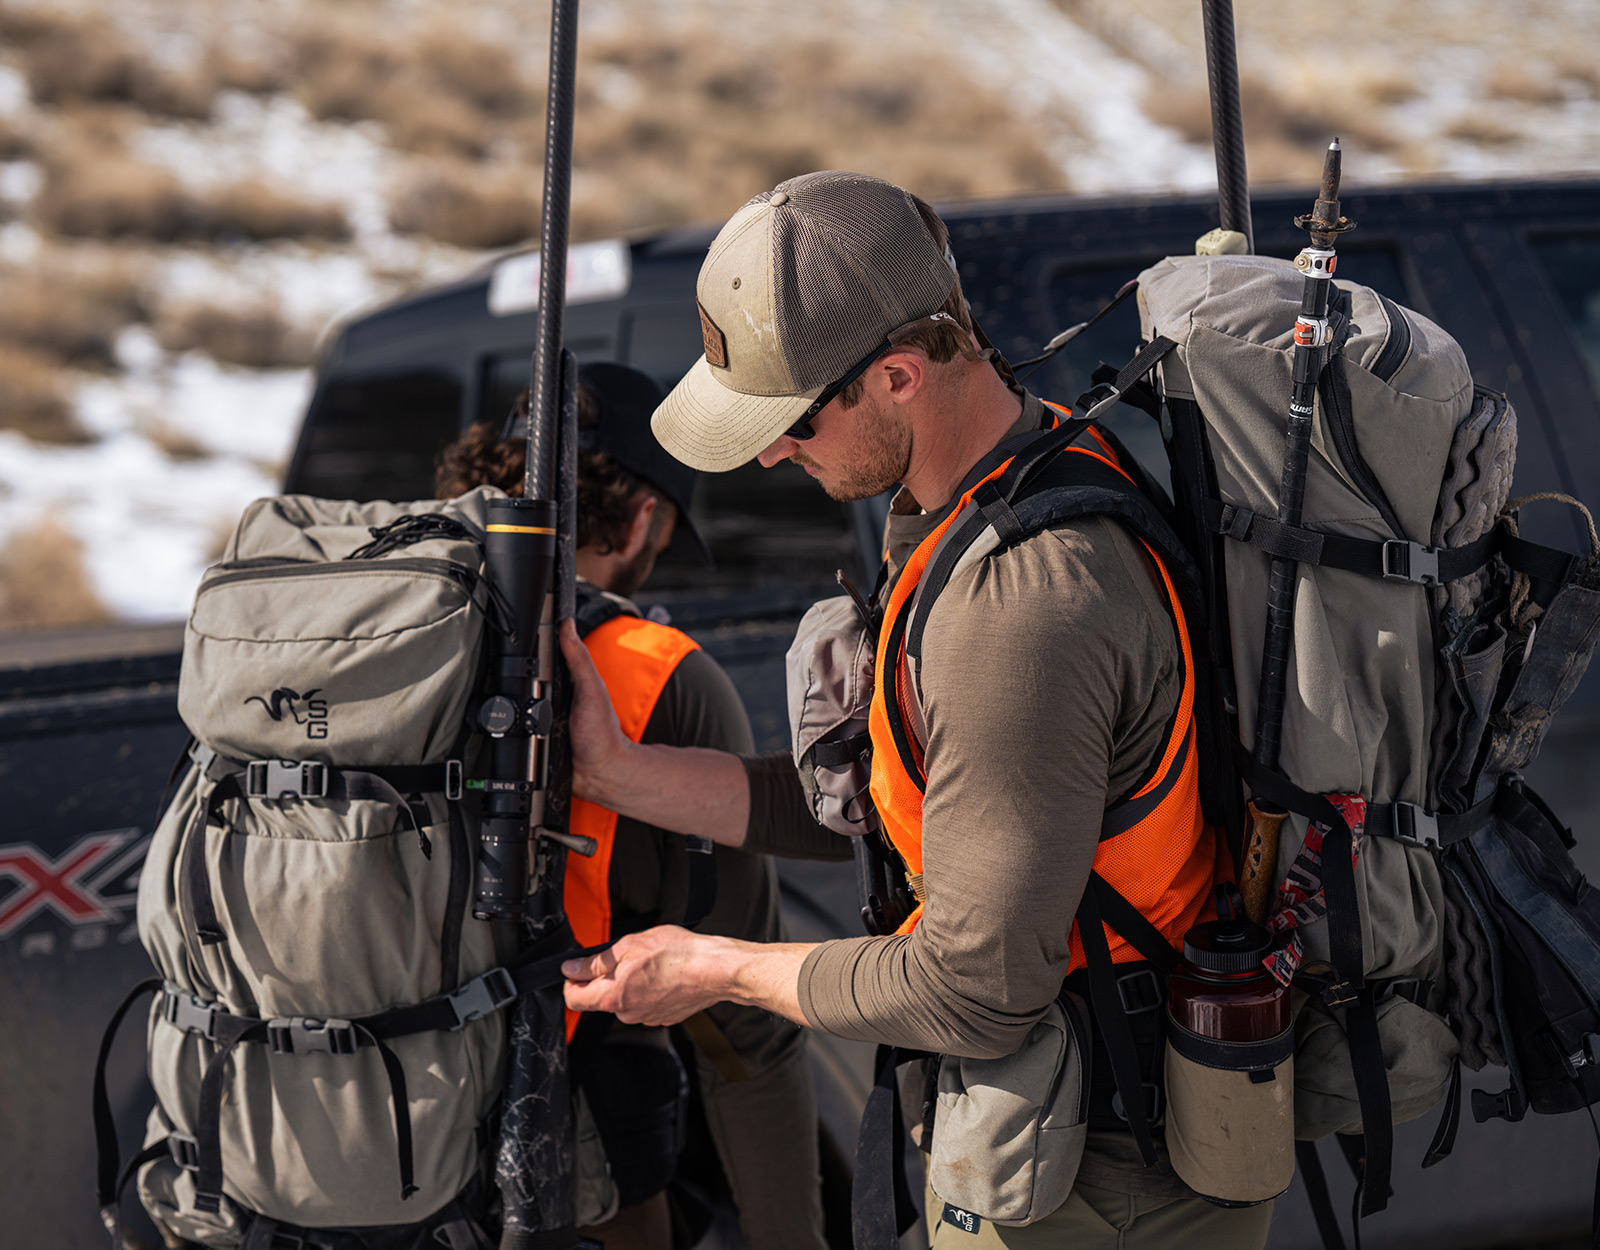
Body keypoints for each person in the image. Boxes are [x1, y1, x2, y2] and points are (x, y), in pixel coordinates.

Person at [555, 171, 1272, 1250]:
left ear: (895, 375)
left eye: (788, 420)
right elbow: (911, 810)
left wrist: (711, 966)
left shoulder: (1020, 603)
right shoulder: (1010, 476)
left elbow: (978, 988)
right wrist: (616, 772)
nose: (767, 454)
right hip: (1053, 1138)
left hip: (1093, 1183)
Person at [435, 361, 830, 1250]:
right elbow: (748, 1042)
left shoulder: (376, 643)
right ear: (646, 515)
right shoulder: (656, 673)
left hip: (328, 1153)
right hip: (557, 1178)